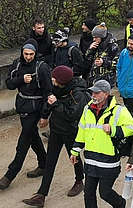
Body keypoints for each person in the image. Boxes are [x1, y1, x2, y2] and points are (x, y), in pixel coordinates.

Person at [22, 66, 89, 207]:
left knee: (74, 157)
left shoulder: (78, 94)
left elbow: (72, 114)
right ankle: (41, 195)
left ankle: (79, 180)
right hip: (56, 129)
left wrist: (56, 104)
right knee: (50, 161)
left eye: (54, 79)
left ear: (62, 81)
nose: (52, 81)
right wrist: (45, 116)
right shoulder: (56, 87)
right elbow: (49, 100)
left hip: (71, 131)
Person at [0, 39, 52, 191]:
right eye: (26, 54)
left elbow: (48, 92)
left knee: (23, 142)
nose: (28, 57)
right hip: (22, 107)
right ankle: (44, 164)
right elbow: (9, 84)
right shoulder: (17, 64)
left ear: (35, 53)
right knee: (33, 137)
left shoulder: (42, 67)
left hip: (36, 109)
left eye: (31, 54)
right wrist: (22, 79)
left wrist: (45, 115)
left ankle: (9, 175)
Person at [69, 80, 133, 208]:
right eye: (92, 93)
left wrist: (113, 130)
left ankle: (120, 204)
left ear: (106, 94)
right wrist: (75, 151)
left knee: (104, 193)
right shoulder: (87, 109)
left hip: (108, 161)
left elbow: (132, 128)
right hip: (90, 159)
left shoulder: (119, 110)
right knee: (88, 193)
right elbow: (82, 130)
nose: (93, 95)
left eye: (96, 93)